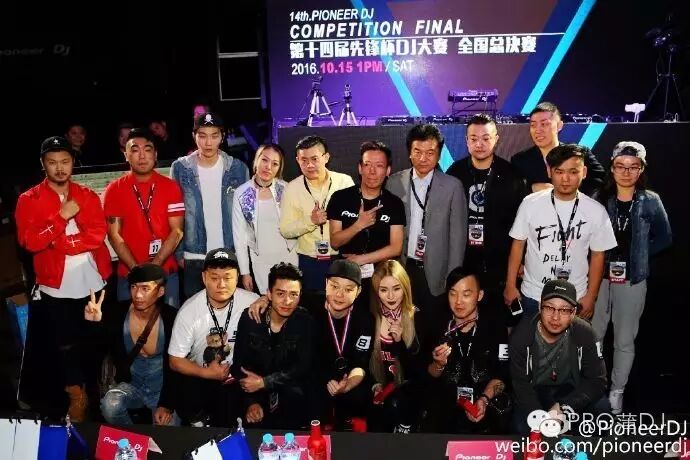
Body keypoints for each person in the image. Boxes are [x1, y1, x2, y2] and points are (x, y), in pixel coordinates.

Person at [16, 136, 112, 421]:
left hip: (93, 279)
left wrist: (62, 242)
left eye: (65, 162)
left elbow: (97, 234)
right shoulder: (28, 199)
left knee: (93, 342)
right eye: (53, 162)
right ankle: (76, 396)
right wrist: (60, 218)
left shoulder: (87, 195)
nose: (59, 168)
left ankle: (97, 393)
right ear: (43, 164)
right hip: (55, 286)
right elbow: (30, 242)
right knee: (65, 346)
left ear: (73, 163)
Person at [591, 142, 672, 414]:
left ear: (641, 169)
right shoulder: (599, 198)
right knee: (593, 335)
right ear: (612, 168)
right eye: (620, 166)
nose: (626, 172)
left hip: (633, 277)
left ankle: (617, 392)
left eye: (633, 167)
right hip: (599, 276)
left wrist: (640, 255)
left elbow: (665, 237)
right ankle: (593, 388)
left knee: (625, 338)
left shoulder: (651, 200)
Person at [504, 144, 617, 319]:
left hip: (575, 297)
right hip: (534, 295)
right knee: (529, 337)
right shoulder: (530, 203)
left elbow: (598, 256)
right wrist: (510, 285)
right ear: (549, 172)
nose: (566, 179)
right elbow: (518, 245)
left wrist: (591, 296)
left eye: (573, 172)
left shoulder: (596, 211)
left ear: (584, 172)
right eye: (559, 171)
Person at [387, 124, 467, 336]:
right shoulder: (394, 182)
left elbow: (458, 237)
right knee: (402, 328)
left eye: (430, 153)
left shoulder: (452, 186)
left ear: (439, 154)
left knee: (433, 329)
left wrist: (452, 279)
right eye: (417, 151)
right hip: (403, 267)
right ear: (409, 152)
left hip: (436, 273)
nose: (423, 158)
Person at [446, 114, 528, 315]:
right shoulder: (455, 173)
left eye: (486, 138)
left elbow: (524, 223)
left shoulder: (511, 175)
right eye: (474, 139)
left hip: (501, 264)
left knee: (498, 320)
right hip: (464, 262)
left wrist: (522, 260)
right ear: (466, 141)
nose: (479, 144)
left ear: (496, 139)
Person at [168, 248, 258, 426]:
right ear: (204, 278)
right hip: (201, 378)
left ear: (237, 277)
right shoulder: (189, 311)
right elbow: (175, 360)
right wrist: (206, 373)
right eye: (214, 278)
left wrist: (265, 301)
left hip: (239, 379)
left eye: (228, 277)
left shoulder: (252, 301)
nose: (221, 284)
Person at [510, 279, 608, 435]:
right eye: (549, 308)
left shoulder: (585, 333)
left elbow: (598, 380)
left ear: (573, 313)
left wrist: (564, 407)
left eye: (564, 310)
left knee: (602, 411)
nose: (555, 317)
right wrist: (541, 419)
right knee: (521, 428)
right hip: (534, 392)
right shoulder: (521, 335)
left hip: (571, 391)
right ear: (539, 307)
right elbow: (520, 384)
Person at [86, 264, 179, 426]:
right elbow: (97, 352)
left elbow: (177, 367)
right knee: (110, 405)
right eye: (134, 287)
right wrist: (95, 324)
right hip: (131, 387)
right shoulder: (117, 313)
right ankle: (132, 437)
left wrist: (167, 404)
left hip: (162, 390)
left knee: (170, 433)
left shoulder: (172, 318)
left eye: (145, 288)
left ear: (161, 291)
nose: (138, 294)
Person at [171, 112, 250, 298]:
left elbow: (246, 217)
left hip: (229, 253)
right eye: (202, 136)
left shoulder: (238, 169)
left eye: (214, 136)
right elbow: (175, 213)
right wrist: (179, 253)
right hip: (193, 255)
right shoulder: (180, 168)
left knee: (229, 310)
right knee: (195, 311)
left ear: (222, 137)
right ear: (194, 136)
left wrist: (244, 257)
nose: (208, 143)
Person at [104, 128, 184, 307]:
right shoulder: (115, 190)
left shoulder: (171, 187)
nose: (142, 156)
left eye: (147, 150)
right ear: (126, 155)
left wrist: (154, 268)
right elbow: (114, 235)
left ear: (155, 154)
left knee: (169, 322)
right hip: (129, 276)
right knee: (129, 324)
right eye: (134, 150)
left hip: (165, 273)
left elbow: (177, 231)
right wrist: (138, 272)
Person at [425, 266, 509, 434]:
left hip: (484, 401)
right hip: (446, 405)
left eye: (466, 294)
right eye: (453, 293)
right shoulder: (437, 324)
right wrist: (438, 364)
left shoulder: (495, 326)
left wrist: (484, 399)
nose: (458, 301)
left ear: (479, 295)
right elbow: (430, 375)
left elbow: (502, 377)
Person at [231, 263, 315, 429]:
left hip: (289, 391)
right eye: (280, 293)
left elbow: (303, 367)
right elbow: (239, 366)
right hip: (256, 392)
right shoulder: (251, 318)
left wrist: (265, 382)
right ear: (269, 294)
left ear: (300, 296)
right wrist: (251, 402)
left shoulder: (305, 321)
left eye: (293, 294)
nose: (287, 301)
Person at [279, 135, 354, 311]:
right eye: (304, 160)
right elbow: (285, 229)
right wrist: (310, 221)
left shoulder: (344, 182)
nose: (309, 165)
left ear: (326, 157)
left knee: (341, 310)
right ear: (297, 160)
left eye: (314, 159)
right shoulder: (292, 188)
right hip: (309, 261)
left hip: (340, 257)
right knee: (312, 311)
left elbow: (355, 220)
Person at [327, 141, 405, 308]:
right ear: (360, 168)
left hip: (381, 278)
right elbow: (335, 241)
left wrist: (361, 259)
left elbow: (396, 247)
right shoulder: (340, 198)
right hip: (346, 277)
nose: (372, 171)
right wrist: (359, 224)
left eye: (379, 166)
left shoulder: (394, 203)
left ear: (388, 171)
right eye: (367, 164)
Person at [232, 143, 298, 294]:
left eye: (275, 164)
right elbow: (239, 236)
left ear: (279, 168)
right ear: (256, 160)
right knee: (265, 301)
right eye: (264, 160)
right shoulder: (241, 193)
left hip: (288, 257)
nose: (268, 167)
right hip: (260, 262)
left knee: (288, 299)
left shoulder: (287, 189)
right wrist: (245, 272)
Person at [368, 260, 421, 433]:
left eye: (396, 289)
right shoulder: (370, 318)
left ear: (405, 288)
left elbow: (418, 373)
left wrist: (399, 343)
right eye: (383, 290)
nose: (390, 296)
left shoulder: (417, 317)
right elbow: (362, 363)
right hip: (378, 396)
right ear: (376, 292)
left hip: (408, 398)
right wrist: (374, 386)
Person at [510, 102, 605, 196]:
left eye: (544, 124)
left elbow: (601, 180)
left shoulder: (580, 153)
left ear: (559, 126)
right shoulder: (520, 160)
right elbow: (513, 189)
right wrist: (531, 188)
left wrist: (569, 191)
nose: (538, 130)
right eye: (533, 125)